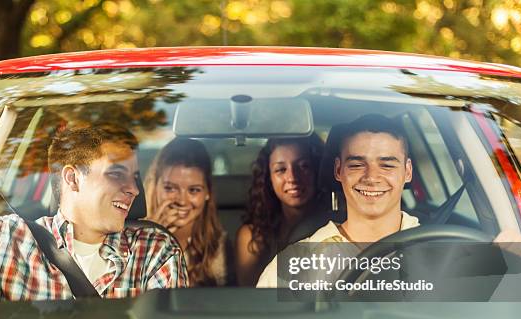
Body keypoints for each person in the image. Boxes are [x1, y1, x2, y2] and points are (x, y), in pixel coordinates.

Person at [0, 126, 189, 300]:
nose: (134, 189)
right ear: (72, 179)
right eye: (117, 174)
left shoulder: (155, 251)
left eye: (135, 177)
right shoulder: (5, 240)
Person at [257, 114, 419, 287]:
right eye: (356, 165)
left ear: (407, 171)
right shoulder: (295, 265)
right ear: (338, 170)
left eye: (387, 165)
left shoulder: (441, 252)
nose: (371, 178)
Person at [236, 134, 326, 286]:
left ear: (317, 171)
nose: (292, 177)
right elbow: (249, 301)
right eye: (281, 169)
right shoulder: (252, 237)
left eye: (303, 166)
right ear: (268, 179)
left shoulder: (339, 228)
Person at [144, 138, 230, 286]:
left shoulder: (218, 245)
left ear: (207, 192)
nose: (182, 201)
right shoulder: (130, 239)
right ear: (155, 186)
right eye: (170, 188)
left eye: (193, 190)